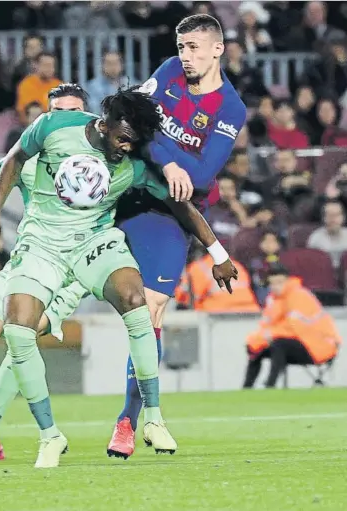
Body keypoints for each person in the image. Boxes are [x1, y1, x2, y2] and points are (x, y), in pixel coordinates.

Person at [0, 87, 237, 468]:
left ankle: (153, 418)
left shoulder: (134, 164)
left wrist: (218, 253)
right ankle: (50, 436)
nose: (126, 147)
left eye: (134, 142)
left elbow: (180, 204)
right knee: (17, 330)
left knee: (136, 302)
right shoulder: (54, 127)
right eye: (122, 138)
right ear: (104, 124)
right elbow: (12, 160)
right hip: (42, 244)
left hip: (94, 241)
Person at [108, 14, 247, 458]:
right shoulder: (167, 71)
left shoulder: (230, 107)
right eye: (181, 46)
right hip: (123, 191)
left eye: (194, 47)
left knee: (151, 311)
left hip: (171, 212)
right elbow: (132, 116)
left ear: (217, 49)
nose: (185, 56)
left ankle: (130, 422)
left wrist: (156, 148)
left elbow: (203, 177)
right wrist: (169, 162)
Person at [0, 83, 90, 463]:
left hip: (70, 269)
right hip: (27, 260)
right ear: (45, 118)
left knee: (19, 335)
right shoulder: (26, 158)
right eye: (57, 112)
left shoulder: (104, 157)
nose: (66, 119)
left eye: (74, 111)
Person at [243, 266, 341, 388]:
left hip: (319, 345)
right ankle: (246, 389)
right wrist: (257, 340)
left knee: (278, 344)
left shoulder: (300, 296)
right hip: (300, 342)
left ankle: (269, 386)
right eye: (272, 283)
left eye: (279, 282)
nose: (275, 286)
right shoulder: (273, 300)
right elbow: (266, 325)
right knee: (255, 348)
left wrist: (269, 335)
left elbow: (296, 328)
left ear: (287, 281)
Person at [16, 52, 61, 121]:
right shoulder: (27, 84)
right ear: (36, 66)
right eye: (46, 65)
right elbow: (30, 111)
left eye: (51, 66)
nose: (49, 69)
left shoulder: (59, 85)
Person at [307, 199, 347, 269]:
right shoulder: (315, 238)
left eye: (336, 215)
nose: (333, 219)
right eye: (329, 215)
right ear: (323, 218)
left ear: (343, 217)